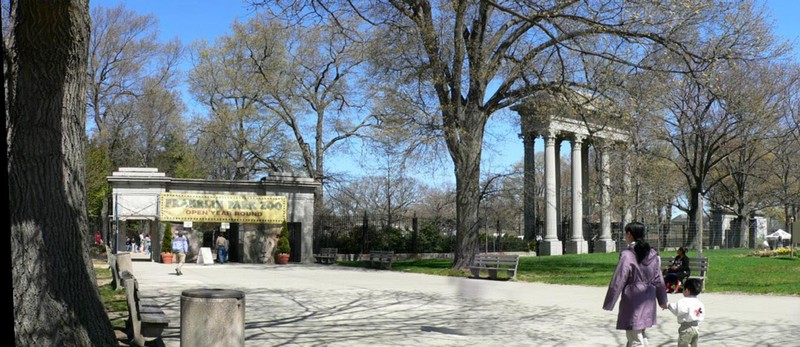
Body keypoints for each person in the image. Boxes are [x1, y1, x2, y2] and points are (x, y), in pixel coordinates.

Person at [603, 222, 669, 346]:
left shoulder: (627, 255)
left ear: (629, 234)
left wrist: (609, 301)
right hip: (648, 298)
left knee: (634, 337)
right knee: (640, 334)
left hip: (633, 299)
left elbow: (619, 279)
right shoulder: (653, 254)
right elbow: (659, 279)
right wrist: (662, 300)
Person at [666, 278, 705, 347]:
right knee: (694, 345)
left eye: (683, 289)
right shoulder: (700, 303)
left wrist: (668, 306)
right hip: (696, 328)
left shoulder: (684, 301)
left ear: (687, 291)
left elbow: (677, 310)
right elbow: (701, 316)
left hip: (686, 328)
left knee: (683, 345)